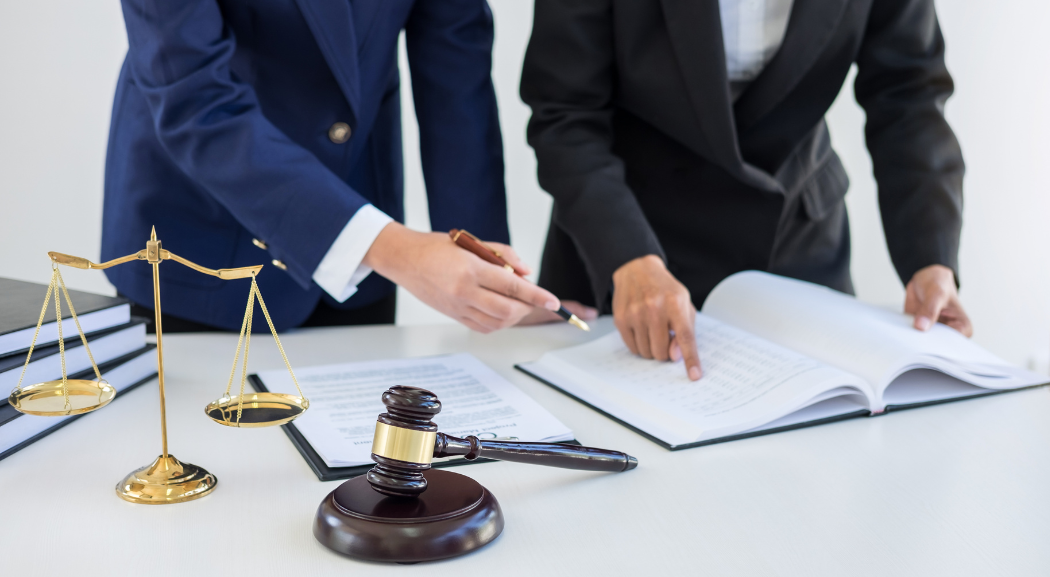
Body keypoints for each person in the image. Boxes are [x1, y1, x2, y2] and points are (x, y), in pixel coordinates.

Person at [520, 0, 973, 380]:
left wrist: (930, 258)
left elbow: (908, 95)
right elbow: (564, 113)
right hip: (626, 248)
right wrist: (625, 255)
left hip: (798, 247)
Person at [101, 0, 585, 333]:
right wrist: (397, 250)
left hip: (357, 208)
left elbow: (457, 79)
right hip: (200, 238)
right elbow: (194, 103)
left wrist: (492, 280)